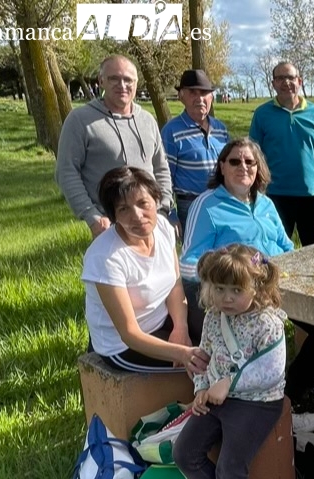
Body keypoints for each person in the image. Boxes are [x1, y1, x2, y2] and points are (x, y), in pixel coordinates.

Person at [180, 138, 314, 406]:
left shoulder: (266, 204)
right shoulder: (207, 205)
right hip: (237, 298)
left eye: (249, 161)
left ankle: (293, 393)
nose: (242, 166)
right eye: (234, 161)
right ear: (221, 166)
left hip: (276, 289)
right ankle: (281, 403)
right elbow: (188, 263)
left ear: (258, 168)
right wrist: (231, 270)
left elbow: (288, 248)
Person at [173, 244, 286, 479]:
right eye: (220, 288)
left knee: (230, 467)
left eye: (236, 290)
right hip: (216, 396)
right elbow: (204, 355)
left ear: (256, 285)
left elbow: (272, 370)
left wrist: (229, 384)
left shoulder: (267, 322)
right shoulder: (213, 317)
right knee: (184, 453)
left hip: (258, 402)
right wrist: (201, 387)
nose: (226, 298)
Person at [81, 166, 208, 374]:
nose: (137, 216)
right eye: (124, 209)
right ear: (113, 216)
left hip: (164, 319)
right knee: (209, 366)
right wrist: (182, 354)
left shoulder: (164, 229)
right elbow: (129, 333)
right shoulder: (105, 257)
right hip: (123, 346)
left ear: (156, 200)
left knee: (224, 340)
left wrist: (180, 328)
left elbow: (175, 285)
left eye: (143, 203)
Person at [56, 55, 173, 239]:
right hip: (108, 226)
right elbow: (66, 171)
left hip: (151, 221)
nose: (122, 85)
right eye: (114, 79)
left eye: (128, 80)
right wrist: (92, 216)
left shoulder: (147, 120)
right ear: (101, 81)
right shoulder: (80, 120)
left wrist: (163, 208)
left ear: (136, 83)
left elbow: (161, 167)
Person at [249, 61, 314, 246]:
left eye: (290, 77)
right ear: (273, 83)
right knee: (276, 252)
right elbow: (252, 157)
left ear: (299, 81)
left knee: (313, 252)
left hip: (310, 196)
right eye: (280, 78)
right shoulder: (262, 114)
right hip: (274, 196)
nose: (286, 82)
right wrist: (253, 193)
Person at [161, 70, 230, 234]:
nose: (200, 98)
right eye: (193, 92)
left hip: (222, 201)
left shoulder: (221, 129)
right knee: (197, 258)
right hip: (191, 206)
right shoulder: (171, 131)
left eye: (205, 93)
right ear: (181, 96)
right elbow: (164, 176)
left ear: (211, 97)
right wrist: (169, 212)